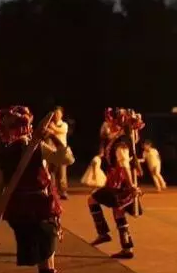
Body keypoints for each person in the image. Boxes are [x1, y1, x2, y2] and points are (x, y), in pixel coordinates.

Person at [0, 105, 62, 273]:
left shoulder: (10, 153)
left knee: (45, 259)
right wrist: (54, 138)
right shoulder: (34, 148)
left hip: (20, 215)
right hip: (39, 210)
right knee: (47, 262)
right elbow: (67, 158)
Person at [87, 108, 144, 259]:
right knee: (118, 211)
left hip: (120, 182)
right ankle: (126, 247)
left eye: (108, 123)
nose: (105, 126)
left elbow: (124, 164)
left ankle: (104, 233)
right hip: (118, 181)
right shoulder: (120, 138)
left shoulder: (121, 143)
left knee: (93, 199)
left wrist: (131, 186)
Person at [45, 106, 73, 200]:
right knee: (52, 172)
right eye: (55, 113)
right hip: (52, 150)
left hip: (62, 151)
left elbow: (59, 131)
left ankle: (63, 191)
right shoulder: (50, 124)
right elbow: (46, 134)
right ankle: (52, 191)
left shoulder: (64, 125)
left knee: (62, 172)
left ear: (61, 115)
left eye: (58, 113)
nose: (56, 115)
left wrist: (51, 128)